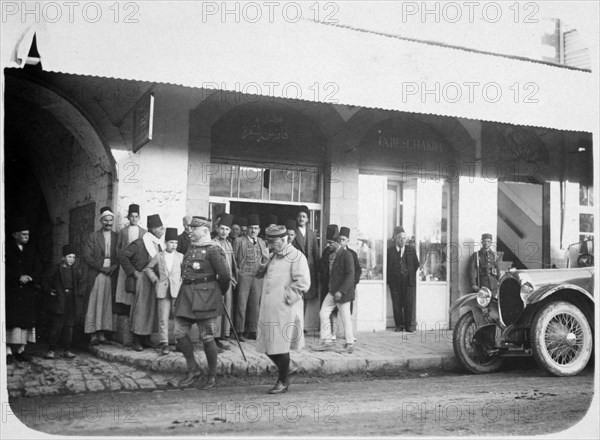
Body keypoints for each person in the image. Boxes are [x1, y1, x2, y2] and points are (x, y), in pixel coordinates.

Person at [173, 216, 231, 389]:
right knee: (179, 333)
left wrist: (217, 292)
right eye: (190, 228)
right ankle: (193, 369)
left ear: (205, 231)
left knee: (206, 336)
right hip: (187, 296)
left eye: (194, 229)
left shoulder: (213, 250)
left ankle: (212, 375)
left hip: (205, 297)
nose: (190, 231)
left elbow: (225, 276)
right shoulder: (191, 247)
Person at [256, 225, 310, 394]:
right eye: (269, 242)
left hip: (284, 309)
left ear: (284, 239)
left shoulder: (296, 256)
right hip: (268, 308)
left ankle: (282, 381)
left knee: (280, 345)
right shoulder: (272, 255)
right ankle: (287, 369)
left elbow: (303, 283)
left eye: (274, 242)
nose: (271, 245)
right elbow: (257, 274)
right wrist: (264, 259)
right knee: (267, 345)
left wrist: (286, 297)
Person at [119, 214, 165, 351]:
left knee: (152, 309)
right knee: (141, 309)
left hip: (154, 280)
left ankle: (147, 339)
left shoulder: (158, 244)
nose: (163, 232)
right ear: (153, 229)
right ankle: (136, 340)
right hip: (143, 280)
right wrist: (134, 272)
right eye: (161, 229)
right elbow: (123, 256)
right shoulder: (140, 243)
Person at [5, 217, 42, 364]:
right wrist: (17, 277)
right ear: (15, 235)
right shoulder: (6, 248)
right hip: (12, 291)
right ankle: (7, 351)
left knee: (26, 321)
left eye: (28, 234)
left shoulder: (31, 250)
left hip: (27, 291)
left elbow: (38, 267)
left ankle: (21, 350)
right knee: (11, 322)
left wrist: (30, 277)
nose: (27, 237)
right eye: (24, 234)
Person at [314, 225, 355, 353]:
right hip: (332, 292)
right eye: (338, 240)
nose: (329, 245)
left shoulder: (347, 255)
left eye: (343, 240)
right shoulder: (331, 254)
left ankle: (349, 345)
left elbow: (351, 275)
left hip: (342, 293)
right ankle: (327, 342)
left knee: (345, 317)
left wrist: (340, 291)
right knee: (323, 313)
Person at [144, 227, 183, 355]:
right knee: (163, 318)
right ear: (165, 243)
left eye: (176, 243)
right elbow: (148, 269)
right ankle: (164, 343)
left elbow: (185, 272)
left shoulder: (180, 257)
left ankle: (178, 341)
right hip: (162, 290)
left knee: (178, 317)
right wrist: (156, 280)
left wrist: (181, 282)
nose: (174, 245)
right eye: (171, 242)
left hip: (176, 290)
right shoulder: (159, 256)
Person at [83, 206, 118, 345]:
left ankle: (102, 332)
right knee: (94, 301)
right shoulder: (93, 236)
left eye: (110, 220)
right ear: (101, 221)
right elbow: (87, 256)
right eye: (105, 221)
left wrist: (113, 267)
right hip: (97, 272)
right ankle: (92, 333)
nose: (108, 223)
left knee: (106, 302)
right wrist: (102, 268)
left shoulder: (117, 236)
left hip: (111, 273)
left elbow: (120, 255)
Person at [233, 214, 269, 340]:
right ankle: (239, 330)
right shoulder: (239, 241)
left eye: (256, 228)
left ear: (259, 230)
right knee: (242, 303)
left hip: (257, 276)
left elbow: (265, 259)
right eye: (251, 228)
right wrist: (237, 274)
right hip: (243, 275)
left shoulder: (262, 242)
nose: (253, 230)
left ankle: (253, 330)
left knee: (255, 304)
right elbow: (234, 260)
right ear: (247, 229)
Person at [44, 244, 83, 359]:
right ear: (63, 258)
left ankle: (67, 350)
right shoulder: (56, 268)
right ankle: (51, 350)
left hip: (71, 300)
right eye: (69, 257)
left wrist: (79, 293)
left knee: (69, 326)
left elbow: (80, 283)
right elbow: (45, 280)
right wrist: (50, 291)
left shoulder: (75, 270)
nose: (71, 259)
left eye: (73, 257)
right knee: (56, 326)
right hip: (59, 300)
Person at [386, 227, 420, 333]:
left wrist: (408, 274)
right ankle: (399, 326)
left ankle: (408, 326)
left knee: (408, 304)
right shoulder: (390, 251)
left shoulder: (411, 250)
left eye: (404, 238)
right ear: (395, 239)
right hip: (395, 283)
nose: (403, 240)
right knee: (397, 304)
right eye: (400, 238)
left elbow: (416, 264)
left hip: (408, 282)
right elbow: (387, 267)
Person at [115, 204, 146, 314]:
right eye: (132, 216)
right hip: (126, 263)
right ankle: (125, 310)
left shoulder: (143, 232)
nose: (134, 219)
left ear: (139, 218)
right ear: (128, 217)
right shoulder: (123, 231)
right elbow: (118, 247)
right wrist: (121, 258)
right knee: (125, 286)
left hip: (137, 264)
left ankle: (135, 309)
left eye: (136, 216)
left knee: (136, 286)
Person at [213, 213, 238, 348]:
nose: (224, 232)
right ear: (217, 229)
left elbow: (231, 264)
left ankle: (224, 334)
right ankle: (215, 337)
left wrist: (233, 277)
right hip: (217, 281)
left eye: (227, 229)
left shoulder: (229, 244)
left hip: (227, 280)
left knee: (227, 307)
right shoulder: (213, 244)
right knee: (217, 308)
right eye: (222, 228)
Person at [293, 207, 320, 313]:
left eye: (304, 216)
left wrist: (317, 270)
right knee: (296, 296)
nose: (301, 218)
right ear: (296, 218)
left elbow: (316, 252)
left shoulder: (312, 233)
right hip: (297, 268)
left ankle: (302, 324)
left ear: (307, 219)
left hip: (309, 269)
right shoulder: (293, 232)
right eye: (299, 216)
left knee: (306, 296)